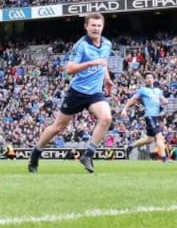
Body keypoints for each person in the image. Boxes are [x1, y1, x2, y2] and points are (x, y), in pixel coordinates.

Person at [28, 12, 114, 174]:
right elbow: (69, 69)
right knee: (58, 127)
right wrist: (90, 63)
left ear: (102, 27)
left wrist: (107, 79)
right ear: (86, 27)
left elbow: (103, 63)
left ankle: (88, 154)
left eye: (98, 25)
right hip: (77, 92)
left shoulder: (107, 44)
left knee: (106, 118)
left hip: (95, 93)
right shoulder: (80, 45)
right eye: (93, 25)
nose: (96, 28)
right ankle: (35, 154)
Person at [122, 72, 169, 162]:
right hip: (150, 116)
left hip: (156, 116)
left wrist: (165, 101)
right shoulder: (142, 90)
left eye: (151, 77)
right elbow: (132, 99)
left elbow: (163, 100)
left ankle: (130, 147)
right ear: (145, 80)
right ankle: (164, 159)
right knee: (159, 136)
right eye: (147, 78)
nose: (149, 79)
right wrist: (125, 109)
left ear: (154, 79)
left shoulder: (158, 91)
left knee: (150, 139)